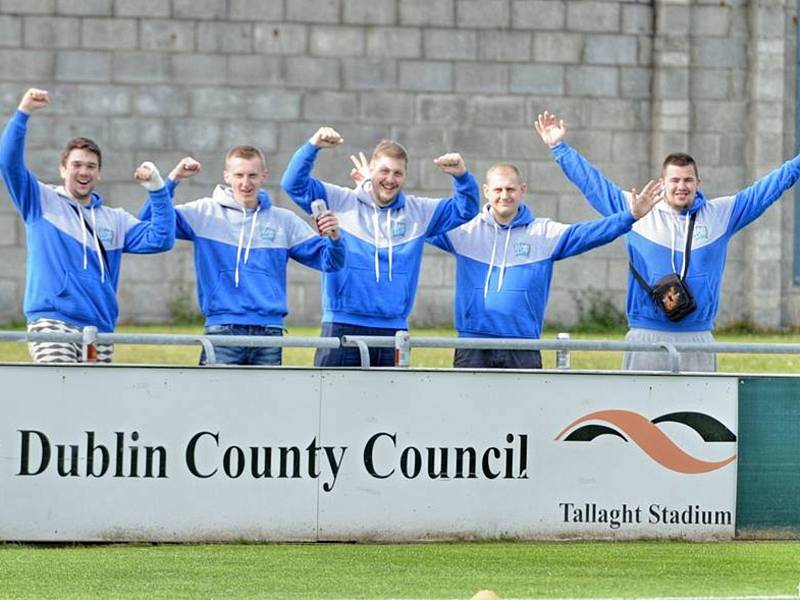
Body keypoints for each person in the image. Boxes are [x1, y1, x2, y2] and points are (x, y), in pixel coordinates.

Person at [536, 110, 800, 371]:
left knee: (698, 414)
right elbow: (592, 184)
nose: (681, 186)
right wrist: (559, 147)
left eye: (688, 180)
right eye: (675, 180)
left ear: (699, 182)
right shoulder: (637, 209)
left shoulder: (722, 213)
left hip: (698, 337)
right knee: (639, 414)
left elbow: (769, 188)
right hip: (645, 335)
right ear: (663, 183)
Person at [426, 162, 662, 369]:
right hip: (472, 344)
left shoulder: (543, 233)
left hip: (523, 345)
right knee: (469, 416)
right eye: (498, 189)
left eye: (510, 189)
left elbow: (589, 233)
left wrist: (630, 216)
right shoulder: (466, 231)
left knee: (525, 419)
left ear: (522, 190)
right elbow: (420, 224)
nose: (504, 195)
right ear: (486, 192)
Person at [0, 87, 174, 363]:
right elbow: (9, 164)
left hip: (99, 328)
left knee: (94, 405)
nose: (84, 172)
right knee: (60, 391)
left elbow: (161, 238)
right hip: (53, 319)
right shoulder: (40, 200)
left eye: (91, 166)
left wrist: (157, 188)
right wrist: (23, 113)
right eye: (77, 165)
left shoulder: (114, 219)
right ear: (63, 169)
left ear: (99, 173)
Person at [281, 127, 480, 367]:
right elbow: (293, 184)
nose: (390, 179)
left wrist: (461, 176)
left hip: (394, 329)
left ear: (405, 176)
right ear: (371, 171)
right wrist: (313, 146)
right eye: (384, 171)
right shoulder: (342, 200)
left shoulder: (419, 212)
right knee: (334, 402)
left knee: (390, 404)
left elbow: (465, 209)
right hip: (342, 323)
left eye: (398, 173)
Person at [144, 146, 345, 366]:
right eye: (239, 175)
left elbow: (331, 262)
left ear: (264, 177)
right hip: (222, 329)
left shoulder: (284, 221)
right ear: (227, 176)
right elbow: (149, 224)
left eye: (252, 175)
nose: (245, 183)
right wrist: (173, 179)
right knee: (215, 399)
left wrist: (334, 237)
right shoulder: (203, 212)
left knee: (266, 401)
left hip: (269, 332)